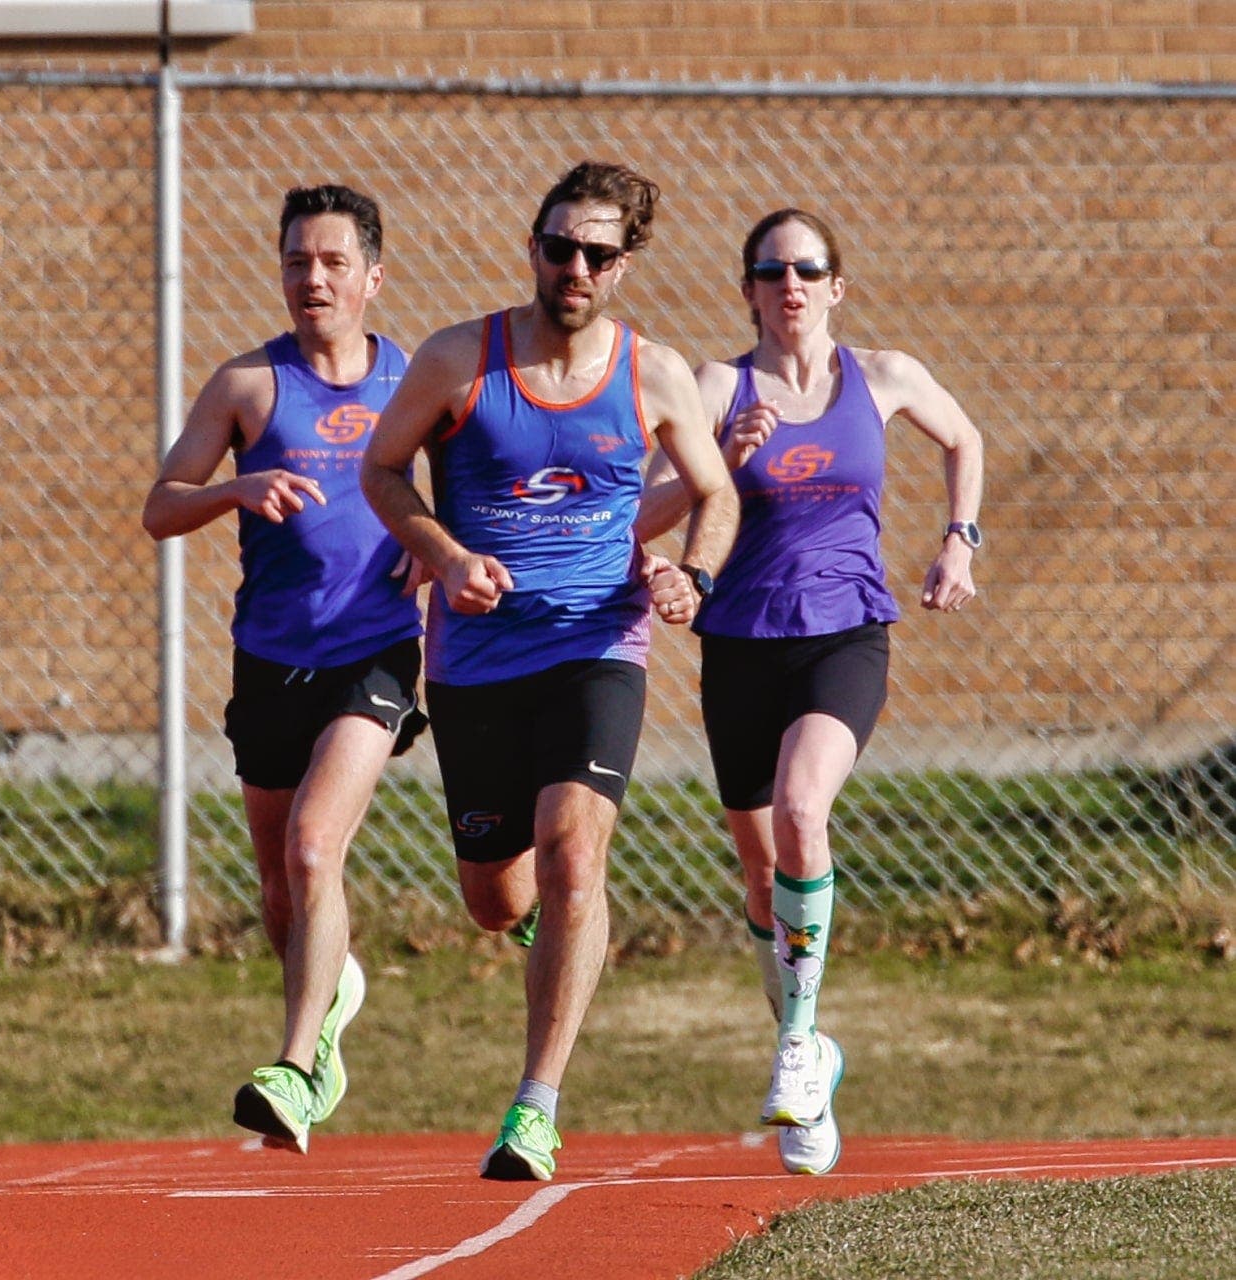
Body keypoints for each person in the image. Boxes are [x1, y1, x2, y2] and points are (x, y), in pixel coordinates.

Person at [360, 160, 739, 1182]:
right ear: (533, 248)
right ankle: (551, 930)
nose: (575, 265)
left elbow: (715, 488)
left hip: (597, 645)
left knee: (575, 850)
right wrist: (441, 555)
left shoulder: (653, 373)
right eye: (560, 245)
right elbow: (380, 468)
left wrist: (692, 577)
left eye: (598, 253)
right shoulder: (456, 360)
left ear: (623, 265)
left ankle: (535, 1105)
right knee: (494, 896)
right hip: (478, 661)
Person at [637, 207, 984, 1176]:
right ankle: (811, 1049)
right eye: (771, 270)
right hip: (741, 645)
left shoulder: (885, 376)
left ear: (838, 286)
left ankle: (795, 1044)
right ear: (748, 289)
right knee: (762, 873)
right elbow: (651, 509)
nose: (790, 284)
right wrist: (727, 462)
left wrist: (961, 536)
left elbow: (966, 440)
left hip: (846, 635)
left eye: (809, 268)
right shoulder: (715, 386)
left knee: (801, 809)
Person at [142, 184, 427, 1155]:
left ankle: (298, 1066)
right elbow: (159, 506)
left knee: (313, 847)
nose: (314, 278)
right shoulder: (246, 387)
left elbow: (474, 495)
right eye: (298, 261)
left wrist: (436, 545)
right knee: (279, 885)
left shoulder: (415, 380)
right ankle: (331, 985)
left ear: (372, 277)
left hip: (377, 648)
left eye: (334, 261)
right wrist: (235, 486)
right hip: (270, 657)